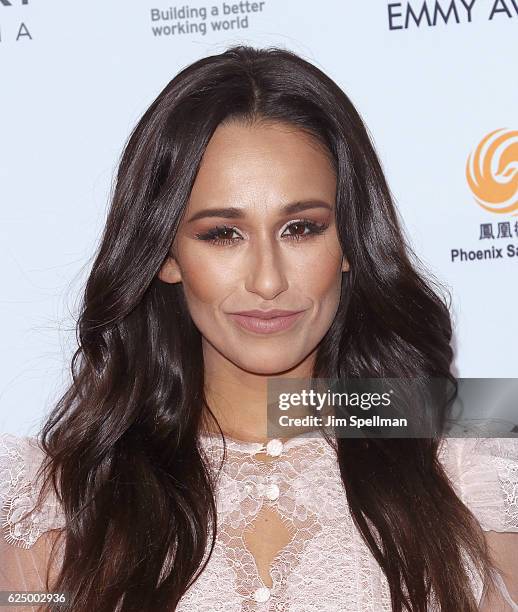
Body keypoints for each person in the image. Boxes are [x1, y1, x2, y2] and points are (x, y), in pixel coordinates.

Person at [0, 45, 517, 612]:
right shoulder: (51, 502)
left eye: (300, 228)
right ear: (166, 254)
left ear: (349, 241)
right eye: (222, 234)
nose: (268, 281)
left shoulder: (473, 464)